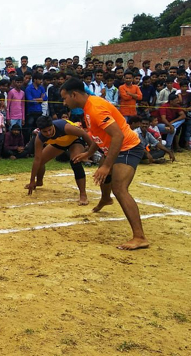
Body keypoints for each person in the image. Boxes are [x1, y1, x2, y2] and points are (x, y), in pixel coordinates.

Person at [61, 78, 149, 250]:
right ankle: (105, 199)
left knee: (120, 188)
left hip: (127, 148)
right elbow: (98, 133)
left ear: (74, 95)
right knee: (104, 177)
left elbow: (117, 136)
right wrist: (89, 152)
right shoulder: (89, 106)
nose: (64, 102)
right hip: (115, 148)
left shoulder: (95, 108)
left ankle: (139, 237)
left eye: (65, 98)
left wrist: (107, 165)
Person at [26, 116, 96, 205]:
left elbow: (84, 134)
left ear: (52, 126)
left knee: (75, 161)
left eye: (50, 130)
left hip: (75, 140)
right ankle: (39, 182)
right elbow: (37, 159)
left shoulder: (65, 127)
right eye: (45, 131)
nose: (48, 133)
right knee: (40, 161)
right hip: (59, 143)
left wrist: (90, 152)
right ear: (40, 130)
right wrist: (32, 180)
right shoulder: (39, 138)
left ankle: (83, 194)